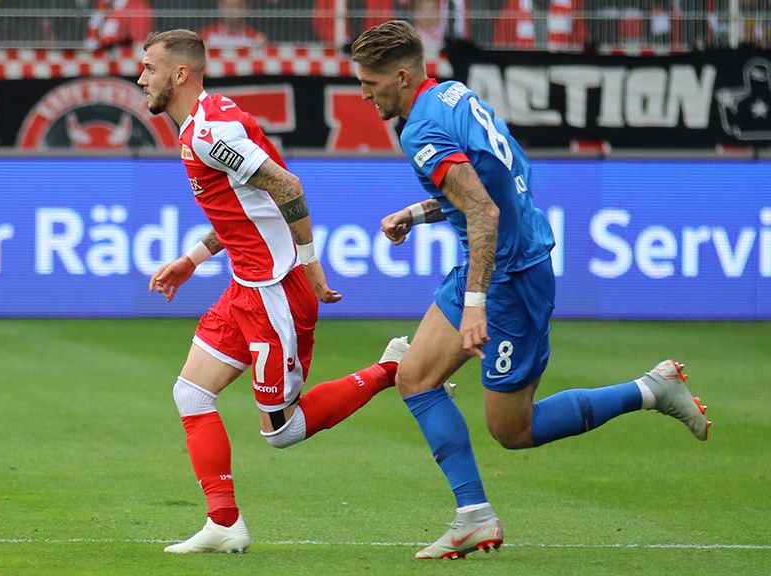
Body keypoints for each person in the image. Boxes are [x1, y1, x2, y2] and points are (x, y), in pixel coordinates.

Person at [350, 20, 710, 560]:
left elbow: (483, 208)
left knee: (513, 430)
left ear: (401, 76)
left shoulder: (419, 130)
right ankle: (473, 515)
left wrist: (476, 303)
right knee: (416, 377)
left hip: (508, 279)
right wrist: (421, 212)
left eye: (370, 83)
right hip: (498, 260)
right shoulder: (452, 94)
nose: (363, 93)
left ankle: (652, 390)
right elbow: (504, 174)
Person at [137, 28, 411, 554]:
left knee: (281, 430)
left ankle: (393, 368)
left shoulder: (208, 134)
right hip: (246, 283)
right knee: (191, 393)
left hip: (275, 290)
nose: (140, 77)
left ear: (180, 74)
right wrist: (191, 260)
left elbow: (287, 187)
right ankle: (223, 523)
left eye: (149, 67)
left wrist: (310, 265)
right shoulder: (205, 120)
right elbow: (248, 207)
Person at [199, 0, 268, 49]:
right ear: (219, 6)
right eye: (227, 6)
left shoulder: (257, 39)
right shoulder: (204, 37)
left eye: (238, 6)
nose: (231, 10)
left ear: (247, 7)